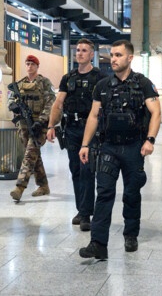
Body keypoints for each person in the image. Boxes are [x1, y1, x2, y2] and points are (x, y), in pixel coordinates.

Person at [78, 40, 161, 260]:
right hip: (108, 147)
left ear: (130, 58)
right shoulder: (102, 86)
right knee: (104, 194)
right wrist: (85, 144)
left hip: (134, 147)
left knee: (132, 194)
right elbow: (94, 116)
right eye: (112, 55)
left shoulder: (143, 84)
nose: (113, 59)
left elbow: (156, 113)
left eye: (118, 55)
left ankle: (130, 235)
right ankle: (98, 243)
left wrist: (150, 140)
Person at [47, 39, 105, 230]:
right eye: (78, 50)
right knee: (75, 170)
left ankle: (86, 213)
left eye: (84, 50)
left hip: (91, 130)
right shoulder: (68, 77)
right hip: (71, 128)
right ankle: (82, 209)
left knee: (87, 170)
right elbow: (58, 103)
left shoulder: (99, 78)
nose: (79, 53)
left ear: (91, 55)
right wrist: (51, 125)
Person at [10, 55, 56, 202]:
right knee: (34, 155)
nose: (29, 67)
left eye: (32, 64)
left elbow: (51, 103)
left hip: (39, 126)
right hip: (24, 125)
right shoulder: (20, 84)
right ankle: (43, 186)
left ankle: (20, 187)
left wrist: (42, 120)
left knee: (30, 154)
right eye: (27, 64)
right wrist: (13, 105)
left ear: (37, 66)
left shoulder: (44, 83)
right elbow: (11, 99)